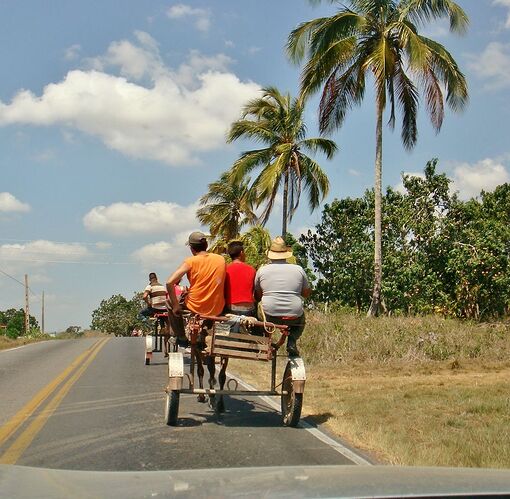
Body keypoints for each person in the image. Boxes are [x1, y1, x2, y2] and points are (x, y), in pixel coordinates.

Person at [254, 236, 311, 357]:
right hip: (293, 315)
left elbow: (258, 295)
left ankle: (265, 341)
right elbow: (306, 293)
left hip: (270, 315)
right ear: (286, 254)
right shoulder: (298, 269)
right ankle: (292, 341)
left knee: (259, 308)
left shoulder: (262, 270)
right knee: (301, 322)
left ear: (270, 254)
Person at [166, 231, 226, 344]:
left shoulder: (190, 261)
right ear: (206, 245)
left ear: (191, 248)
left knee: (169, 303)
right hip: (217, 308)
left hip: (195, 306)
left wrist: (176, 306)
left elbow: (169, 283)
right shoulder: (220, 259)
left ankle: (181, 337)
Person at [224, 240, 256, 317]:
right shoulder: (251, 269)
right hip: (248, 309)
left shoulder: (225, 270)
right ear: (241, 253)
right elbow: (254, 290)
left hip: (231, 308)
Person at [140, 272, 169, 355]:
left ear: (150, 279)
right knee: (164, 325)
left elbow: (144, 296)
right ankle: (166, 348)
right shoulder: (162, 286)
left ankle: (150, 326)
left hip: (155, 309)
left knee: (141, 313)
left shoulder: (150, 286)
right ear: (157, 278)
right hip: (164, 309)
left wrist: (149, 303)